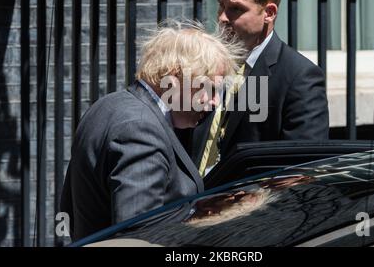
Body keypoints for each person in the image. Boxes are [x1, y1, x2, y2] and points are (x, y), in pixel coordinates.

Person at [60, 20, 245, 241]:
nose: (215, 102)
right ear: (176, 78)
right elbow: (137, 234)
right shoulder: (140, 129)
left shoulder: (109, 104)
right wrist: (209, 217)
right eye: (209, 89)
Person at [191, 0, 329, 176]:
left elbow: (300, 168)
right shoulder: (205, 62)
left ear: (269, 13)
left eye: (236, 9)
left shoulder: (300, 76)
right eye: (221, 6)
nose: (222, 18)